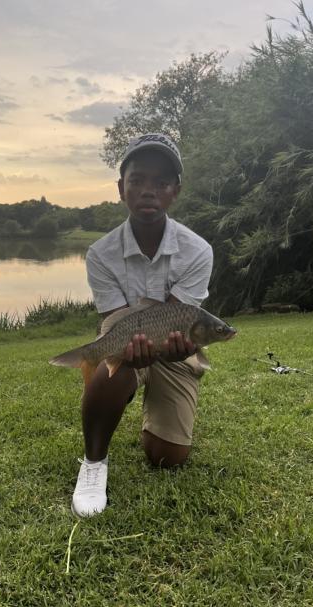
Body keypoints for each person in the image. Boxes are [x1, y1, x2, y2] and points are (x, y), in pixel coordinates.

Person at [72, 133, 213, 517]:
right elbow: (115, 321)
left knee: (167, 457)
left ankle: (153, 412)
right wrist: (121, 352)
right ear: (122, 188)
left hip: (175, 349)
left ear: (175, 192)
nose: (149, 190)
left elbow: (179, 320)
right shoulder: (100, 254)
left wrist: (182, 347)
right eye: (137, 180)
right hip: (126, 342)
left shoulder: (198, 250)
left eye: (161, 182)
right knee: (110, 368)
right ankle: (93, 463)